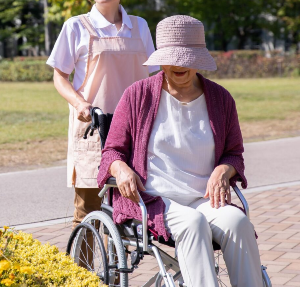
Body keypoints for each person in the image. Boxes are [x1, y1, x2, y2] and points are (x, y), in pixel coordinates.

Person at [97, 15, 263, 287]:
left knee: (238, 223)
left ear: (198, 58)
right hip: (154, 199)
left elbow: (234, 153)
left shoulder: (221, 99)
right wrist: (122, 169)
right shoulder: (137, 96)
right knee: (192, 223)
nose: (179, 64)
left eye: (187, 56)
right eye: (172, 56)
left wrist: (223, 170)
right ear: (161, 57)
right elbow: (112, 151)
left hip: (205, 198)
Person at [47, 0, 158, 228]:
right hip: (94, 127)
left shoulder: (140, 26)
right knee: (87, 212)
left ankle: (117, 271)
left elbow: (155, 76)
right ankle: (79, 272)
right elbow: (59, 76)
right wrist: (79, 103)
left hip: (134, 129)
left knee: (127, 210)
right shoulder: (76, 26)